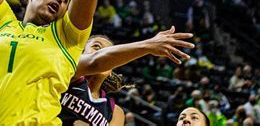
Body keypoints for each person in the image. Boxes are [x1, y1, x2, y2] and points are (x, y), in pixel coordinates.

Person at [60, 26, 193, 125]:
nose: (104, 54)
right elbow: (96, 62)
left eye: (109, 53)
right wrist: (148, 45)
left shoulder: (115, 112)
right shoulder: (68, 74)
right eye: (97, 47)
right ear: (81, 54)